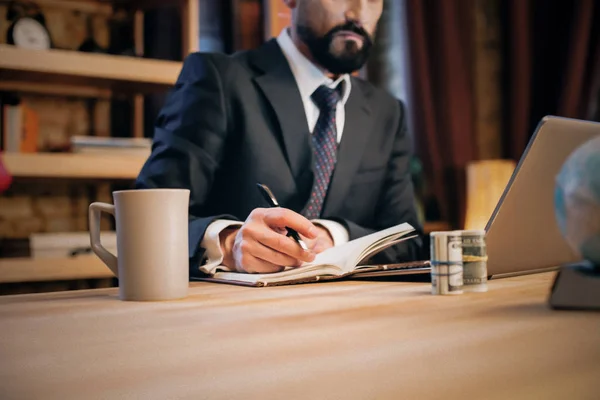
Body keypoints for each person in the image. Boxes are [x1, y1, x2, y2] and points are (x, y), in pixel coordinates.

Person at [135, 0, 424, 276]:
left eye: (373, 0)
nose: (357, 12)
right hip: (228, 318)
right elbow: (146, 219)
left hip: (350, 317)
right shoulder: (218, 79)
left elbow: (408, 241)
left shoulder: (387, 112)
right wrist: (228, 242)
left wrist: (334, 236)